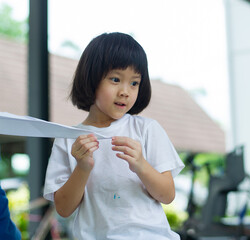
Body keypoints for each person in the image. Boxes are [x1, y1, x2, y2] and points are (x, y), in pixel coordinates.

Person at [43, 32, 184, 239]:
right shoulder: (68, 139)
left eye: (134, 83)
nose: (125, 91)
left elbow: (167, 195)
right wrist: (82, 167)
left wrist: (141, 165)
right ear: (91, 79)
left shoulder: (147, 129)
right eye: (116, 79)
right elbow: (64, 209)